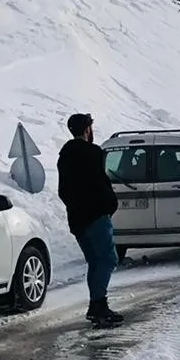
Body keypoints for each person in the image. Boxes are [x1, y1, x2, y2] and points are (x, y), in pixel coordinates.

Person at [56, 113, 123, 328]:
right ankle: (98, 306)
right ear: (86, 130)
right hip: (96, 216)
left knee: (95, 262)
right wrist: (109, 204)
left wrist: (76, 207)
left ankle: (97, 306)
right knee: (108, 259)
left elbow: (64, 190)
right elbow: (100, 184)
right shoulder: (93, 153)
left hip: (77, 219)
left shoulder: (64, 155)